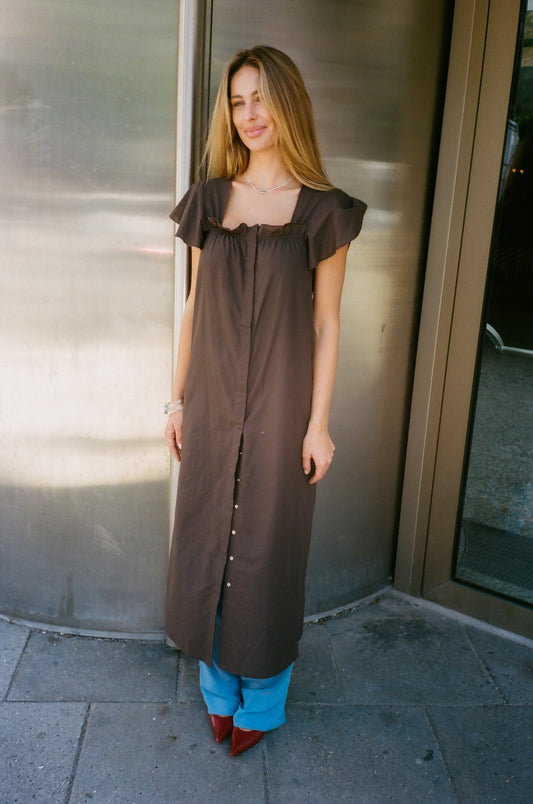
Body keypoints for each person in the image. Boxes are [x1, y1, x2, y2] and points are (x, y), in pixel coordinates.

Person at [164, 45, 366, 757]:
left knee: (268, 551)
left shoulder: (324, 211)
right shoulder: (210, 200)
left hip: (282, 410)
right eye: (237, 101)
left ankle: (265, 701)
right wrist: (175, 402)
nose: (249, 114)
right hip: (212, 403)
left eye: (261, 98)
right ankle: (218, 693)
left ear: (288, 104)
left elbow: (326, 323)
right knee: (205, 540)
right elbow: (193, 307)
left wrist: (318, 426)